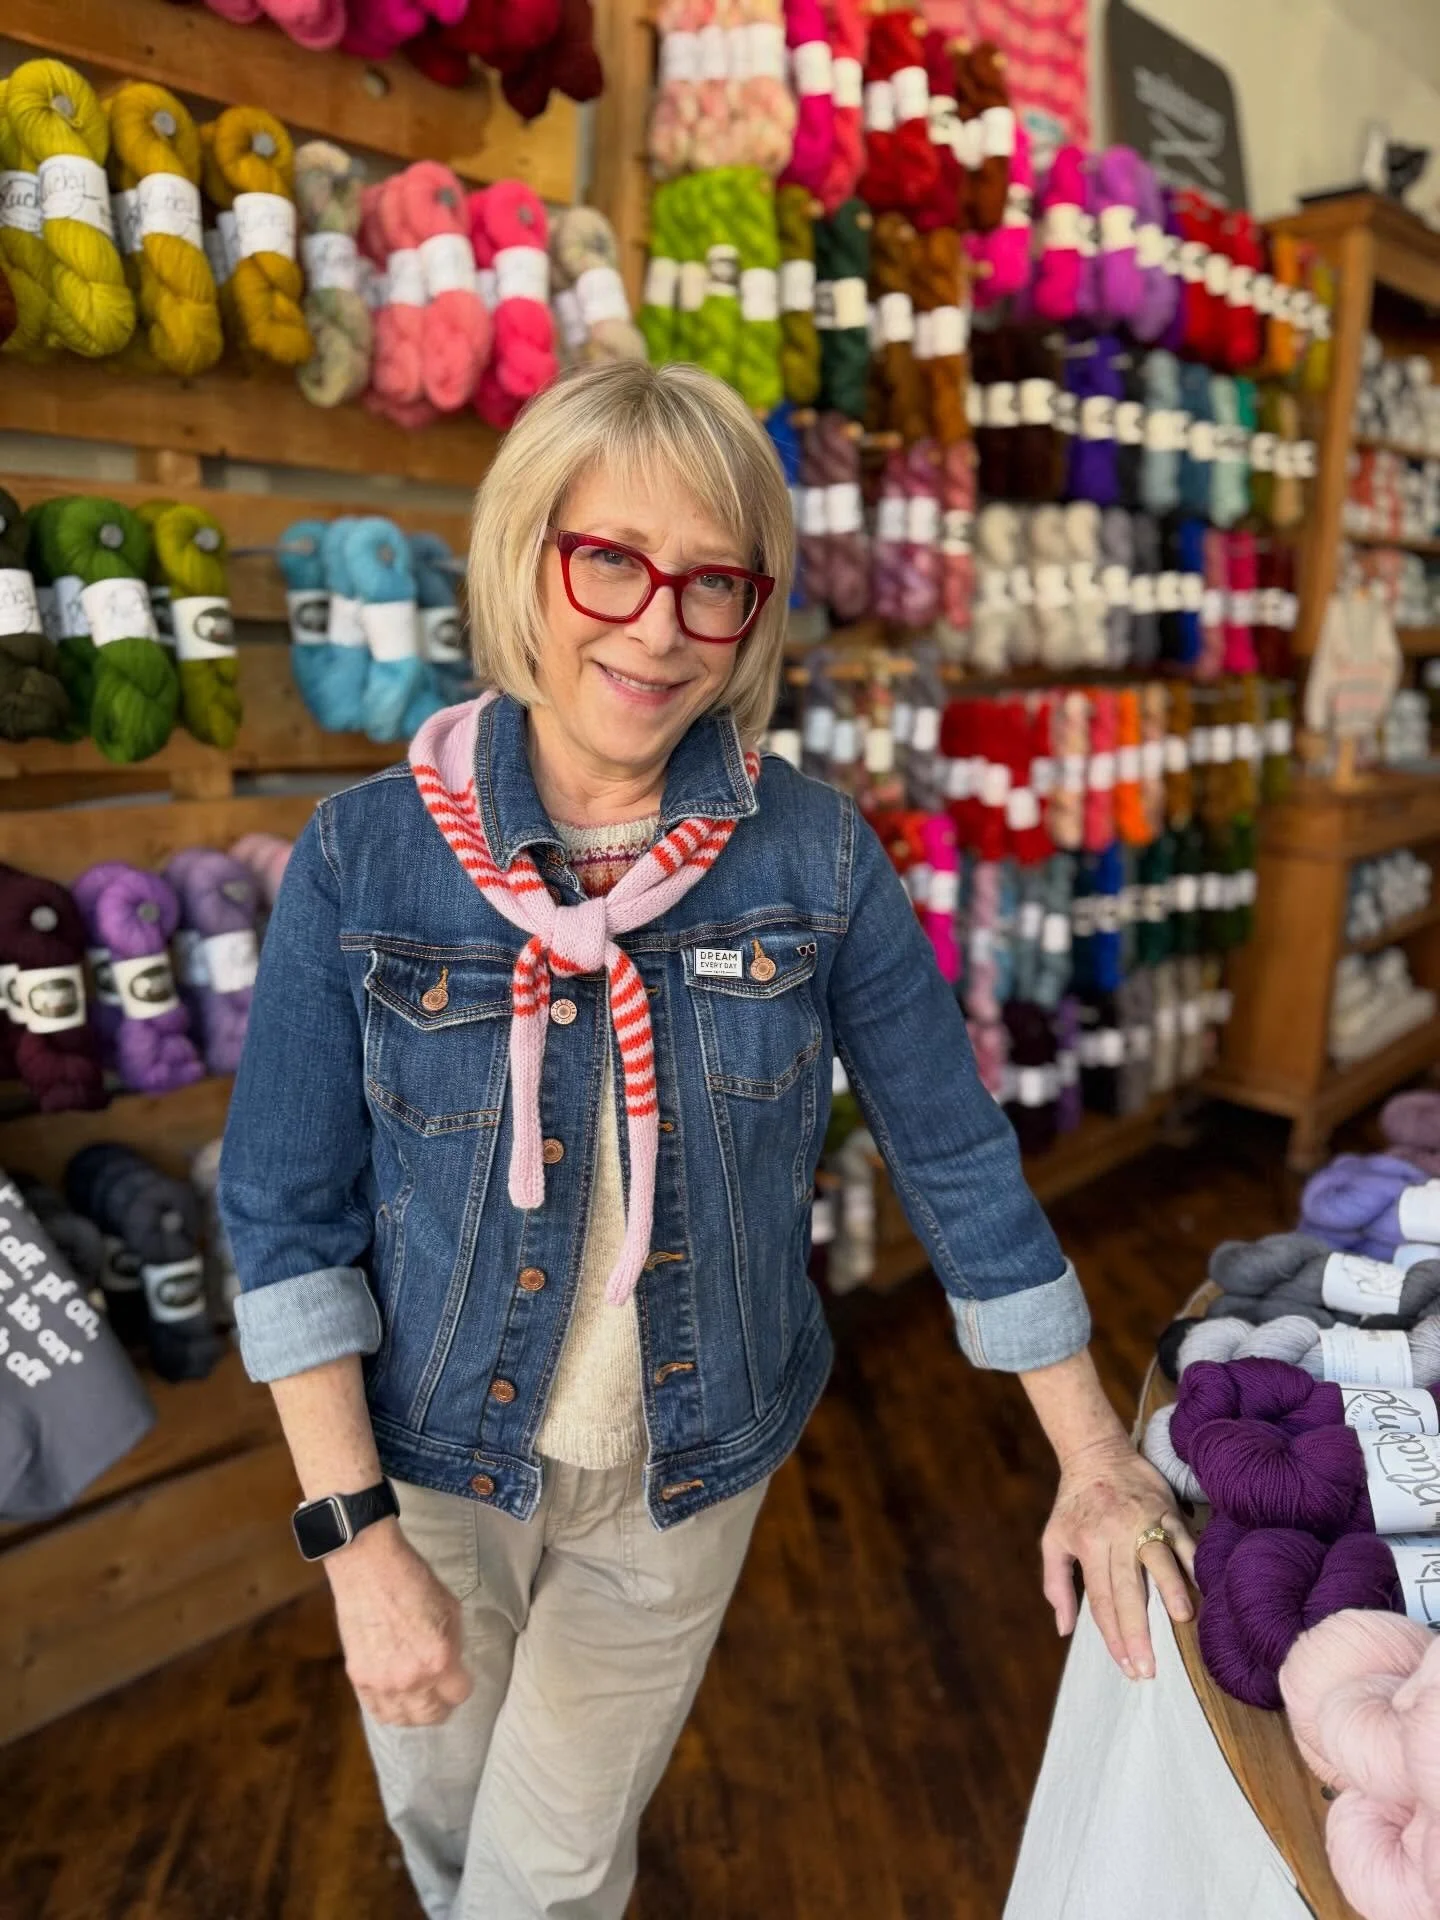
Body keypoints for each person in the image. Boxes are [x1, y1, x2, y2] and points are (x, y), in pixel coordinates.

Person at [220, 360, 1194, 1920]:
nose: (658, 625)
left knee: (545, 1880)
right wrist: (355, 1547)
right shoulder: (366, 857)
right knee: (452, 1838)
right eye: (610, 558)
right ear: (528, 552)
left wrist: (1092, 1457)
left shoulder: (811, 856)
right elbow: (281, 1210)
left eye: (715, 583)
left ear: (758, 609)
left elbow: (952, 1154)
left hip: (682, 1472)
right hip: (428, 1470)